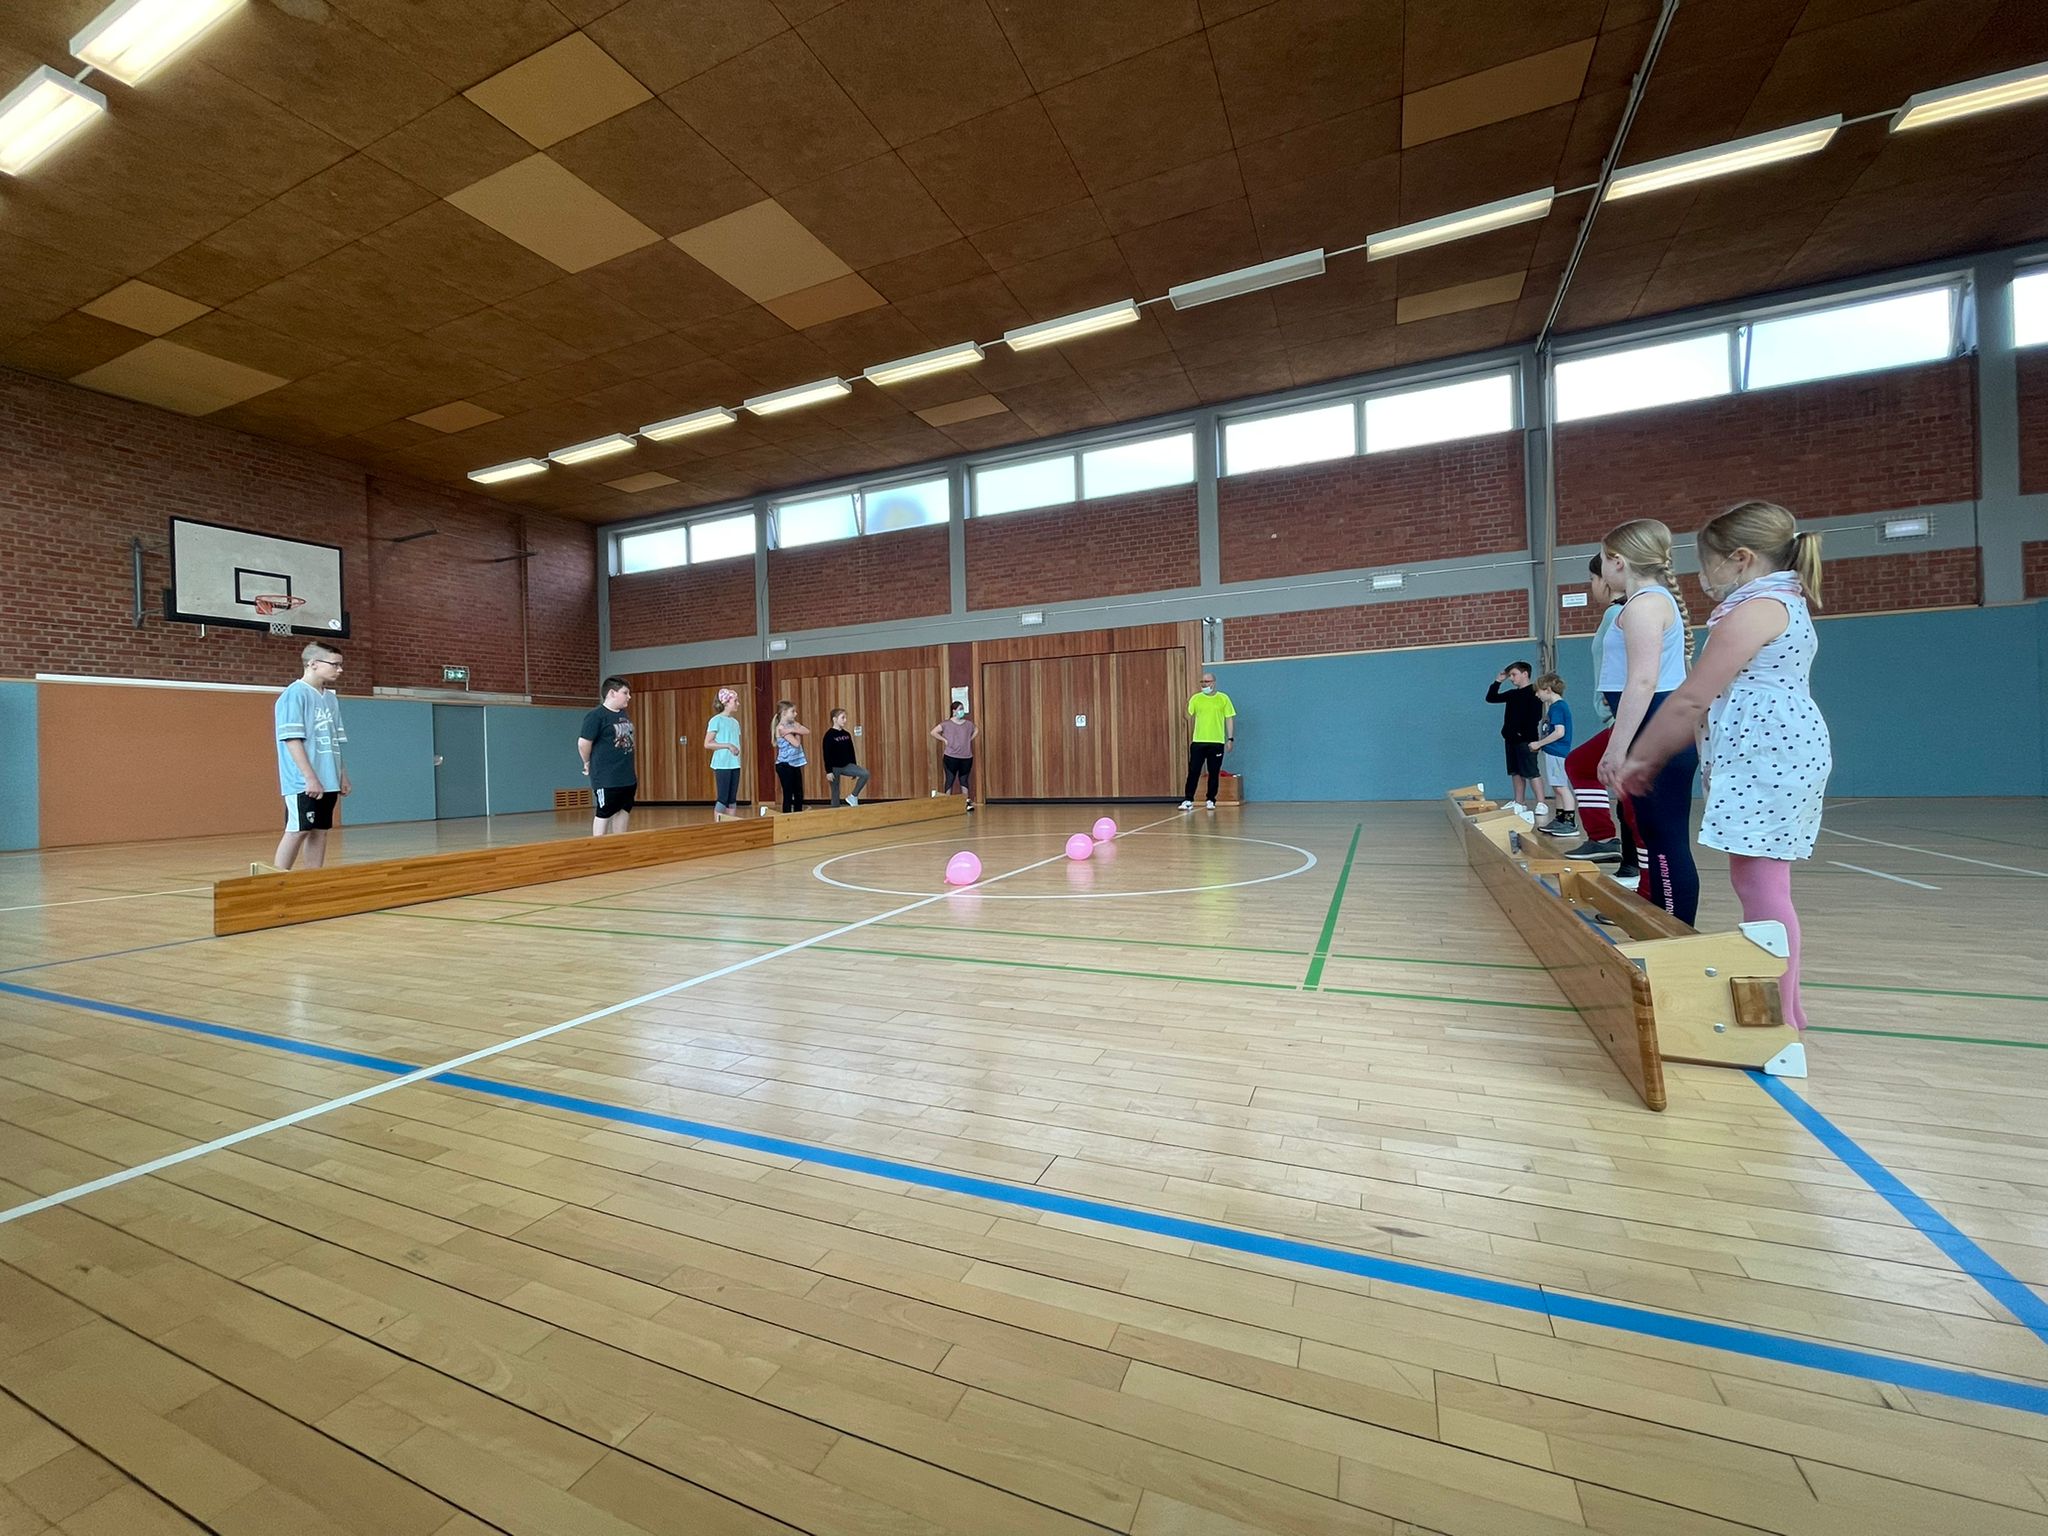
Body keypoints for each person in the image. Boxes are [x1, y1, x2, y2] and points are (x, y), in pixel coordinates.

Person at [1621, 501, 1830, 1029]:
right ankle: (1788, 1008)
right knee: (1760, 880)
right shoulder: (1778, 601)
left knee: (1761, 884)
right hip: (1772, 752)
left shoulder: (1757, 610)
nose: (1702, 574)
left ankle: (1781, 1017)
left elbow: (1693, 696)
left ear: (1740, 558)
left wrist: (1644, 756)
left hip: (1772, 755)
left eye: (1706, 562)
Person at [1594, 518, 1699, 924]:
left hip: (1653, 729)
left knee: (1664, 838)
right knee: (1655, 836)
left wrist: (1616, 749)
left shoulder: (1644, 606)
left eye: (1603, 560)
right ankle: (1665, 923)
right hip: (1655, 727)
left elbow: (1642, 680)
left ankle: (1676, 930)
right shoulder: (1649, 602)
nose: (1602, 569)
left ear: (1618, 562)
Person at [1565, 555, 1641, 879]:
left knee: (1586, 768)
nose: (1592, 586)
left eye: (1592, 579)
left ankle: (1617, 851)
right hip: (1619, 716)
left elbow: (1627, 669)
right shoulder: (1622, 612)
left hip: (1625, 718)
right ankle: (1625, 858)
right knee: (1592, 771)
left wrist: (1617, 711)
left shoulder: (1617, 614)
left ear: (1606, 579)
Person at [271, 641, 350, 872]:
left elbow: (335, 740)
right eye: (335, 664)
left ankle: (313, 878)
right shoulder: (294, 695)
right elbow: (292, 739)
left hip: (329, 779)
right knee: (298, 829)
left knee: (320, 830)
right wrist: (310, 777)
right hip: (303, 781)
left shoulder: (331, 699)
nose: (340, 670)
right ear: (313, 664)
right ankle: (277, 880)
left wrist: (342, 774)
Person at [578, 677, 636, 836]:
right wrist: (587, 762)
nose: (629, 697)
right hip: (607, 777)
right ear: (612, 693)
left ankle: (620, 844)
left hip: (626, 776)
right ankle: (599, 846)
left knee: (623, 809)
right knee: (605, 811)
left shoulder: (623, 714)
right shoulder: (596, 716)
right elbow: (583, 743)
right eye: (625, 693)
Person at [1484, 661, 1544, 812]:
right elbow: (1491, 698)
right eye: (1510, 675)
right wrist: (1498, 681)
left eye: (1514, 674)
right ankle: (1519, 801)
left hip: (1526, 739)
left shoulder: (1534, 692)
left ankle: (1541, 803)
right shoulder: (1512, 694)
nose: (1511, 678)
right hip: (1511, 739)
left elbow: (1535, 716)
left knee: (1531, 771)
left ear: (1525, 674)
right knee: (1515, 772)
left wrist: (1522, 732)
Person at [1180, 670, 1236, 810]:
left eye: (1207, 681)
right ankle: (1188, 799)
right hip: (1198, 741)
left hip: (1216, 742)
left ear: (1214, 683)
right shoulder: (1196, 698)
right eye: (1202, 682)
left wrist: (1230, 738)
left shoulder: (1223, 698)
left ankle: (1211, 799)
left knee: (1214, 772)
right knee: (1194, 771)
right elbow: (1187, 716)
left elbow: (1229, 718)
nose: (1204, 684)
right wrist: (1186, 705)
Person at [1532, 673, 1576, 839]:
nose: (1537, 695)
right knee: (1557, 787)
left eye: (1538, 691)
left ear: (1548, 690)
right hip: (1553, 752)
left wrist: (1539, 743)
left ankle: (1570, 822)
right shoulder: (1555, 707)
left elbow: (1559, 732)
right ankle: (1560, 818)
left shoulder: (1557, 707)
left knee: (1561, 787)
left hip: (1557, 752)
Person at [702, 687, 742, 819]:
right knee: (723, 797)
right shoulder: (716, 720)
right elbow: (708, 743)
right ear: (726, 703)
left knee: (732, 798)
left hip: (734, 763)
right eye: (735, 701)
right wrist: (727, 745)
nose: (738, 703)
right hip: (722, 764)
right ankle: (719, 825)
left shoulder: (735, 722)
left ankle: (731, 824)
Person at [932, 703, 976, 810]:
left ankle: (966, 802)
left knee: (964, 780)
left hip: (966, 757)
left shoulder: (968, 724)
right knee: (950, 779)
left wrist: (969, 739)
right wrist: (945, 740)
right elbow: (933, 732)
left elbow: (976, 730)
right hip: (951, 757)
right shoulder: (946, 724)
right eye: (960, 709)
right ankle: (947, 803)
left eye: (963, 709)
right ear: (954, 711)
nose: (962, 711)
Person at [822, 708, 869, 807]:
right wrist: (828, 771)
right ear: (835, 719)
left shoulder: (846, 734)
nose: (845, 720)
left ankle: (853, 796)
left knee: (865, 774)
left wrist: (854, 765)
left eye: (845, 718)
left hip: (847, 765)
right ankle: (835, 812)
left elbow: (851, 751)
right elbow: (826, 754)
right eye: (843, 718)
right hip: (834, 768)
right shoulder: (829, 735)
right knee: (835, 791)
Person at [773, 699, 810, 813]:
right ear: (784, 713)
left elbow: (807, 731)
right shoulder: (781, 728)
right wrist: (797, 731)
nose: (795, 714)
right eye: (792, 711)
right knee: (788, 794)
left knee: (799, 793)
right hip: (785, 765)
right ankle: (787, 817)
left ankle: (798, 816)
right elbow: (796, 743)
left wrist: (794, 729)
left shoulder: (792, 725)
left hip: (794, 763)